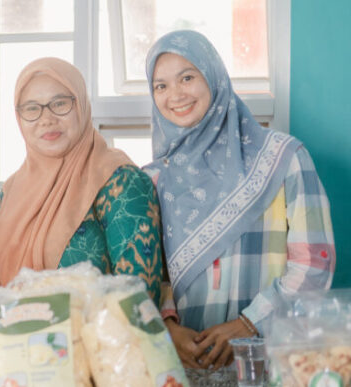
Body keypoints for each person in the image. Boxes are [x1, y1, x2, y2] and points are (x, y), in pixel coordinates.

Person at [145, 30, 335, 371]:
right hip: (185, 368)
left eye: (187, 77)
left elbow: (315, 263)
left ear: (213, 75)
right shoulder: (153, 180)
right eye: (161, 86)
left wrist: (250, 324)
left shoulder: (283, 159)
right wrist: (168, 328)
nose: (175, 95)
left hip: (271, 363)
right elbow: (151, 275)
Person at [0, 57, 164, 302]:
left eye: (60, 103)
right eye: (31, 108)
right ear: (18, 117)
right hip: (15, 326)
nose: (46, 119)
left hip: (99, 327)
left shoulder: (120, 181)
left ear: (81, 104)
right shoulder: (10, 192)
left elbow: (139, 296)